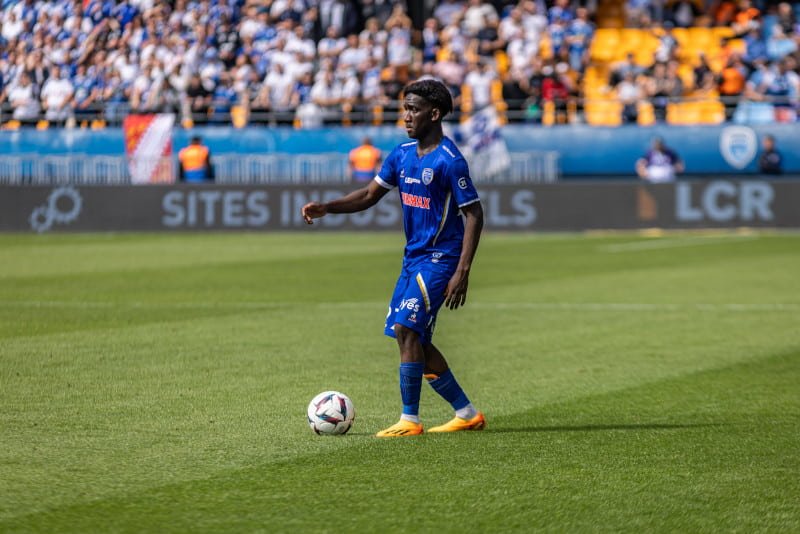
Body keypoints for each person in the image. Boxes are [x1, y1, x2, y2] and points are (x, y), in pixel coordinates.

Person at [301, 79, 486, 438]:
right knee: (411, 337)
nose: (406, 117)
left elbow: (474, 214)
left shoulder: (450, 161)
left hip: (440, 259)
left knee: (406, 328)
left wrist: (462, 271)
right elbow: (370, 195)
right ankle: (466, 413)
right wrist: (328, 207)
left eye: (413, 110)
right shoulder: (401, 154)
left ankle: (410, 420)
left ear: (434, 114)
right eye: (405, 109)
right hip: (412, 259)